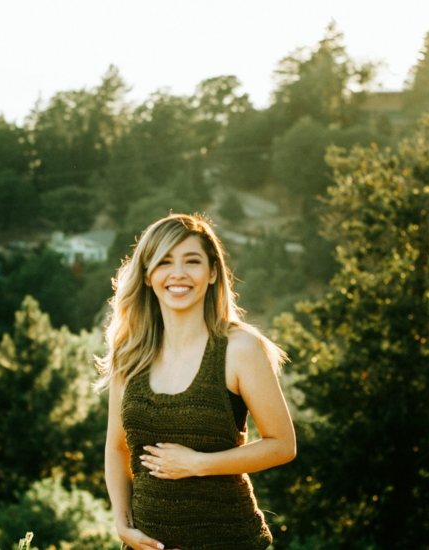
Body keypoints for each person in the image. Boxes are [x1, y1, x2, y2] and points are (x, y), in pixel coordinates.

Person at [97, 213, 296, 550]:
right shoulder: (129, 355)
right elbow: (117, 448)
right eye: (164, 262)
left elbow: (282, 445)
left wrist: (198, 464)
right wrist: (122, 521)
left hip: (228, 540)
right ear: (147, 275)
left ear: (213, 271)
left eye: (192, 261)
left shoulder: (239, 348)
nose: (178, 274)